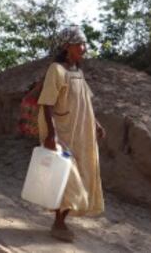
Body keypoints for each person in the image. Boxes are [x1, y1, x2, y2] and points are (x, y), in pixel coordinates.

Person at [37, 26, 106, 242]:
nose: (84, 48)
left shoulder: (78, 73)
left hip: (81, 133)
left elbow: (84, 101)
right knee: (67, 178)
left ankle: (60, 222)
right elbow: (47, 103)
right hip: (61, 132)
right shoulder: (56, 70)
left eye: (84, 44)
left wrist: (96, 123)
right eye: (79, 44)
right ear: (67, 47)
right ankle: (58, 224)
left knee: (78, 175)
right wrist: (51, 134)